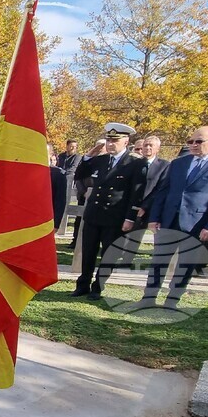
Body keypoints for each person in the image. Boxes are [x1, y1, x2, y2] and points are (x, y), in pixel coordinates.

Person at [132, 126, 208, 309]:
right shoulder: (179, 163)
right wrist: (154, 217)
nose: (194, 145)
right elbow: (162, 192)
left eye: (199, 142)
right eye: (191, 141)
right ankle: (148, 297)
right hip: (168, 220)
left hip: (197, 223)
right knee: (159, 261)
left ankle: (172, 300)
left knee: (185, 264)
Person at [71, 122, 148, 300]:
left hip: (115, 216)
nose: (110, 144)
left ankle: (98, 286)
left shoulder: (135, 163)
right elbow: (80, 174)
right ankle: (82, 284)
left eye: (114, 140)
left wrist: (130, 218)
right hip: (94, 214)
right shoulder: (102, 159)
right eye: (108, 140)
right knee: (88, 251)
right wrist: (89, 155)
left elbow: (137, 193)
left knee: (109, 253)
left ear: (126, 141)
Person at [57, 139, 85, 247]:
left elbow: (72, 169)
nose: (73, 148)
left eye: (75, 146)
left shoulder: (77, 157)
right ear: (67, 146)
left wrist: (62, 172)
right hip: (60, 178)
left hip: (69, 179)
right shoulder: (61, 156)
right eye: (71, 146)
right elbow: (59, 165)